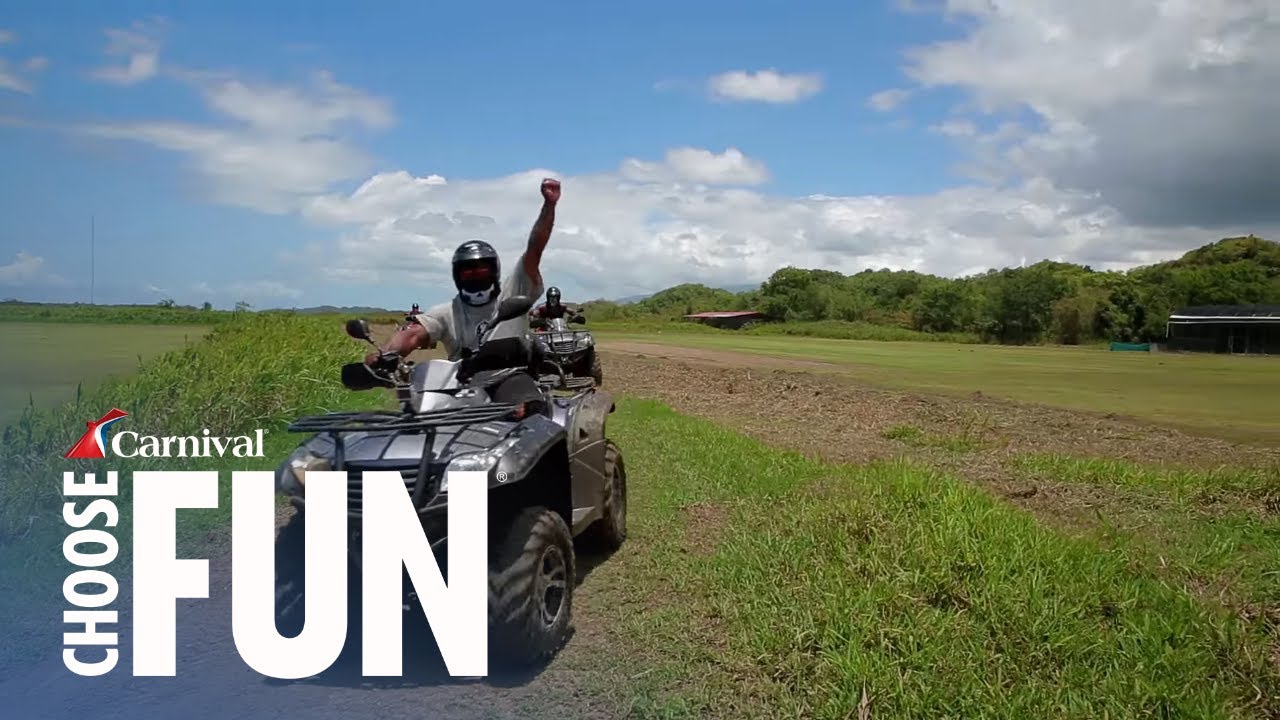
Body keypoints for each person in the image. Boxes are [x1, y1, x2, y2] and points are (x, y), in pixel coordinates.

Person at [368, 177, 561, 414]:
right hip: (461, 382)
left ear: (495, 271)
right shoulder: (446, 311)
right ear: (457, 276)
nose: (475, 276)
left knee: (530, 414)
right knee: (418, 419)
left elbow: (535, 249)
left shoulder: (514, 290)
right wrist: (387, 354)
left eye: (481, 270)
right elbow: (412, 334)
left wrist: (549, 206)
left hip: (511, 377)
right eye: (467, 272)